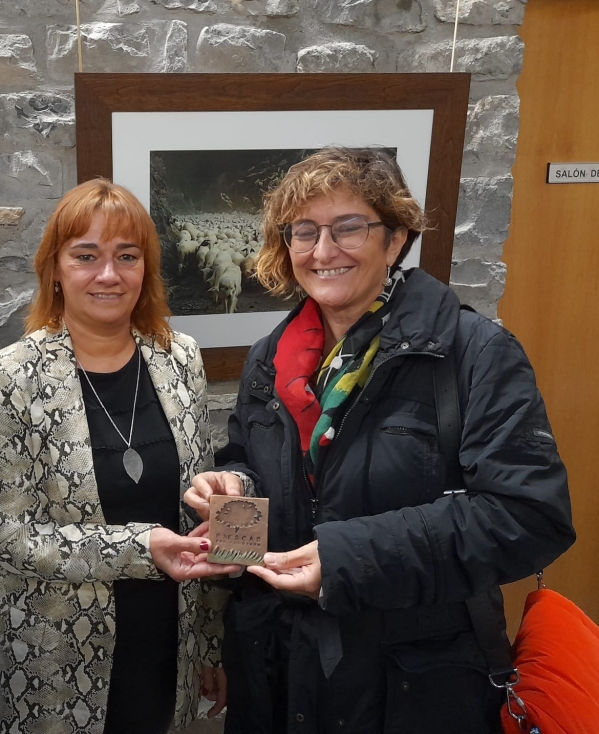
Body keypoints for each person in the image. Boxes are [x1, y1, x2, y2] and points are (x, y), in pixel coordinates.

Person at [184, 147, 575, 734]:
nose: (322, 251)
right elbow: (260, 468)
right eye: (304, 232)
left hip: (409, 687)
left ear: (395, 239)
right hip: (278, 672)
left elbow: (530, 516)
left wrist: (346, 560)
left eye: (348, 228)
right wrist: (234, 495)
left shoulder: (473, 354)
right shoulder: (272, 358)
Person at [0, 178, 238, 734]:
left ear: (146, 268)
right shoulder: (12, 375)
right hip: (56, 659)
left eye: (127, 256)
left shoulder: (179, 357)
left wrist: (213, 643)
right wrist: (142, 547)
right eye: (86, 256)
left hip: (170, 641)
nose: (109, 274)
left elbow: (202, 509)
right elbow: (15, 540)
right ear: (54, 269)